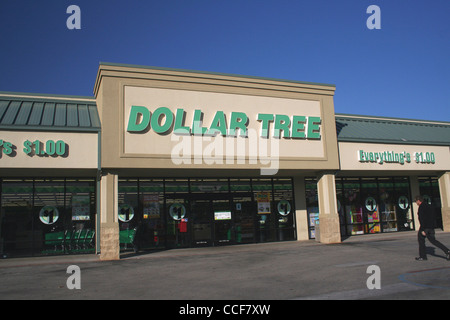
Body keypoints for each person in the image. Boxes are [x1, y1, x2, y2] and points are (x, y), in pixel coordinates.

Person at [414, 195, 450, 261]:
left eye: (416, 201)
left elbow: (422, 219)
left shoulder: (421, 207)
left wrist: (422, 229)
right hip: (431, 227)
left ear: (418, 201)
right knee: (434, 241)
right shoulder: (429, 206)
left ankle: (423, 256)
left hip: (425, 228)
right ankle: (447, 251)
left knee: (421, 240)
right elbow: (433, 217)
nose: (416, 203)